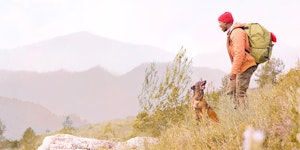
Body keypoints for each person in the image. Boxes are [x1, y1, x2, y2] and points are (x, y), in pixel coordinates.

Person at [218, 12, 258, 110]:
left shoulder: (236, 33)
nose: (219, 25)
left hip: (246, 65)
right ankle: (236, 114)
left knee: (240, 93)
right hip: (241, 66)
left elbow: (239, 54)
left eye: (220, 23)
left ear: (226, 22)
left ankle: (245, 117)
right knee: (231, 91)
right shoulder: (232, 32)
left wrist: (234, 72)